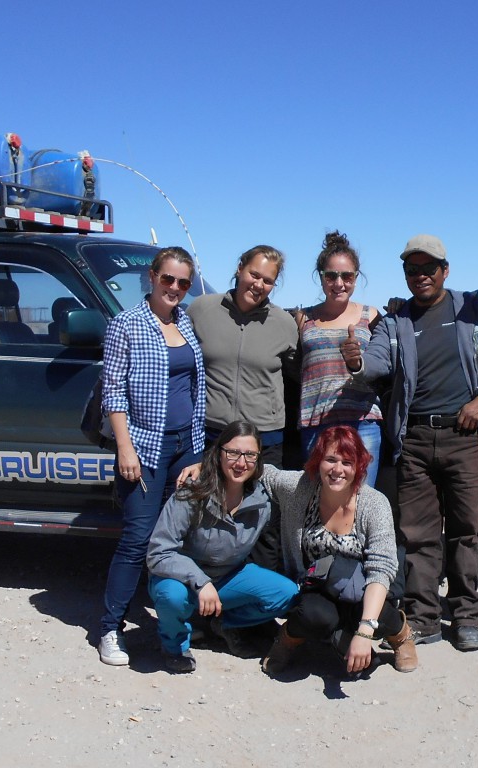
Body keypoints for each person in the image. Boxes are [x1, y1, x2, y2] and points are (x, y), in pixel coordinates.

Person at [342, 234, 478, 652]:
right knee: (419, 533)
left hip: (465, 436)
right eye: (412, 269)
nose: (421, 276)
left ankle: (467, 616)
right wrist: (357, 362)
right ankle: (425, 617)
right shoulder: (396, 321)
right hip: (414, 439)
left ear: (445, 271)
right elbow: (377, 361)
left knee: (466, 531)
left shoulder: (473, 310)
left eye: (429, 268)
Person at [97, 246, 207, 666]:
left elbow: (195, 389)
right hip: (144, 445)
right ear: (152, 277)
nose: (175, 288)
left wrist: (196, 451)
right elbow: (114, 391)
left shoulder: (186, 324)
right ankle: (110, 627)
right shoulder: (126, 324)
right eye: (169, 279)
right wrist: (125, 447)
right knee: (137, 538)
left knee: (177, 539)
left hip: (185, 445)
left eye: (183, 282)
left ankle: (171, 628)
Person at [255, 425, 416, 676]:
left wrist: (364, 631)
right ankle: (287, 638)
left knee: (381, 615)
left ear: (359, 466)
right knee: (313, 616)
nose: (337, 470)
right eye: (330, 459)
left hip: (362, 588)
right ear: (318, 461)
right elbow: (262, 472)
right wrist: (205, 465)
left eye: (347, 462)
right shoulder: (299, 488)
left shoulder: (374, 503)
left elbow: (381, 569)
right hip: (317, 587)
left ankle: (400, 636)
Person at [146, 422, 299, 672]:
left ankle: (222, 623)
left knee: (287, 593)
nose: (241, 462)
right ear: (219, 453)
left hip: (227, 577)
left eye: (250, 455)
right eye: (233, 453)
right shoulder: (192, 491)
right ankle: (175, 645)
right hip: (181, 578)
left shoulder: (263, 500)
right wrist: (201, 581)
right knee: (171, 597)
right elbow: (159, 552)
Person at [186, 245, 298, 467]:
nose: (258, 285)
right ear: (239, 269)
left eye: (267, 281)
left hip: (264, 437)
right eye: (254, 275)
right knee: (210, 500)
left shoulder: (285, 324)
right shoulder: (201, 310)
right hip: (210, 433)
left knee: (261, 502)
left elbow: (296, 373)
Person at [297, 231, 383, 484]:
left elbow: (384, 364)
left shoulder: (372, 316)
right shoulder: (303, 318)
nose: (339, 283)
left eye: (347, 276)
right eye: (331, 275)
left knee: (363, 501)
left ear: (356, 278)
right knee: (319, 500)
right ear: (321, 278)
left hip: (363, 422)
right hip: (316, 422)